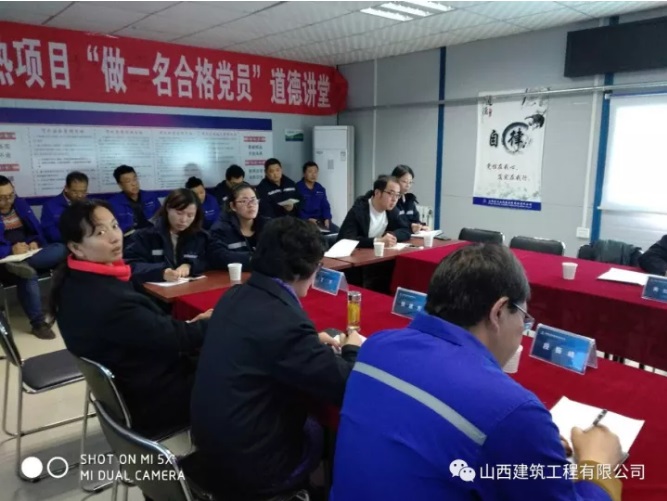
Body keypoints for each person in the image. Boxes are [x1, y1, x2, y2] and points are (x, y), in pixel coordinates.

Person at [331, 244, 624, 501]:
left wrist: (531, 443)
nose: (522, 331)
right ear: (499, 312)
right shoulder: (513, 411)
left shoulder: (376, 348)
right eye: (524, 319)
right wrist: (598, 464)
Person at [191, 217, 362, 498]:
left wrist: (310, 341)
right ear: (302, 269)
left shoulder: (234, 295)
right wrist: (351, 348)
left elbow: (266, 340)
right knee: (322, 427)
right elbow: (346, 386)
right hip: (252, 467)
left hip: (208, 446)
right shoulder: (286, 324)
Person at [49, 199, 211, 435]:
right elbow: (176, 339)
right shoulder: (109, 300)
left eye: (115, 226)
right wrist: (216, 321)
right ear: (76, 247)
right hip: (155, 398)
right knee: (240, 366)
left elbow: (149, 330)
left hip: (133, 379)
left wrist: (191, 325)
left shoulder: (73, 281)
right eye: (100, 232)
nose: (115, 237)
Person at [0, 176, 67, 339]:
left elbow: (35, 231)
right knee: (28, 274)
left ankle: (22, 264)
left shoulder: (20, 204)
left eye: (10, 195)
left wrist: (34, 242)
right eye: (2, 198)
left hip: (27, 255)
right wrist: (10, 250)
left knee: (61, 248)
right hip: (3, 262)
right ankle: (38, 324)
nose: (8, 201)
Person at [124, 189, 208, 285]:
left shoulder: (199, 236)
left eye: (190, 215)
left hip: (188, 288)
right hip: (153, 291)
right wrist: (161, 272)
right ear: (168, 208)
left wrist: (189, 265)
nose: (184, 220)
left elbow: (207, 259)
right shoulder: (145, 235)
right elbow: (130, 266)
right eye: (179, 213)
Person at [207, 182, 268, 271]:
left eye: (253, 200)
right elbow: (217, 256)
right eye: (244, 201)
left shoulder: (268, 225)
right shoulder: (221, 229)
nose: (251, 205)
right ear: (233, 206)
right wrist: (252, 259)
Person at [337, 175, 411, 248]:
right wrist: (377, 241)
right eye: (391, 194)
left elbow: (406, 230)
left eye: (397, 195)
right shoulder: (358, 211)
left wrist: (392, 235)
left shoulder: (392, 211)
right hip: (356, 254)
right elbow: (346, 240)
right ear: (377, 193)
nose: (394, 199)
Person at [108, 165, 161, 238]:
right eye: (128, 181)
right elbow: (113, 228)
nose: (134, 184)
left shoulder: (151, 197)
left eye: (135, 179)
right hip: (129, 240)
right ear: (120, 185)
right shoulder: (113, 204)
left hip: (154, 236)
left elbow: (161, 219)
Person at [41, 171, 89, 243]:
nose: (79, 195)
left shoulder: (89, 205)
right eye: (75, 192)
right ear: (66, 188)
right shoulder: (50, 206)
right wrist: (73, 238)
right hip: (61, 244)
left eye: (83, 192)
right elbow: (50, 233)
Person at [296, 161, 338, 233]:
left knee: (338, 232)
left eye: (315, 172)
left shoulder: (320, 188)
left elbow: (325, 206)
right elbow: (296, 209)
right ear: (304, 174)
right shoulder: (298, 188)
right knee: (316, 236)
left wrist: (327, 218)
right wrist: (307, 219)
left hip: (320, 221)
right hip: (304, 222)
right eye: (310, 172)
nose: (313, 175)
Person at [391, 164, 429, 234]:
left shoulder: (409, 200)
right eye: (404, 182)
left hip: (409, 235)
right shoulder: (390, 200)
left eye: (410, 182)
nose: (408, 185)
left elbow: (416, 220)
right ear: (395, 180)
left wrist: (421, 226)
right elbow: (394, 224)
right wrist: (411, 227)